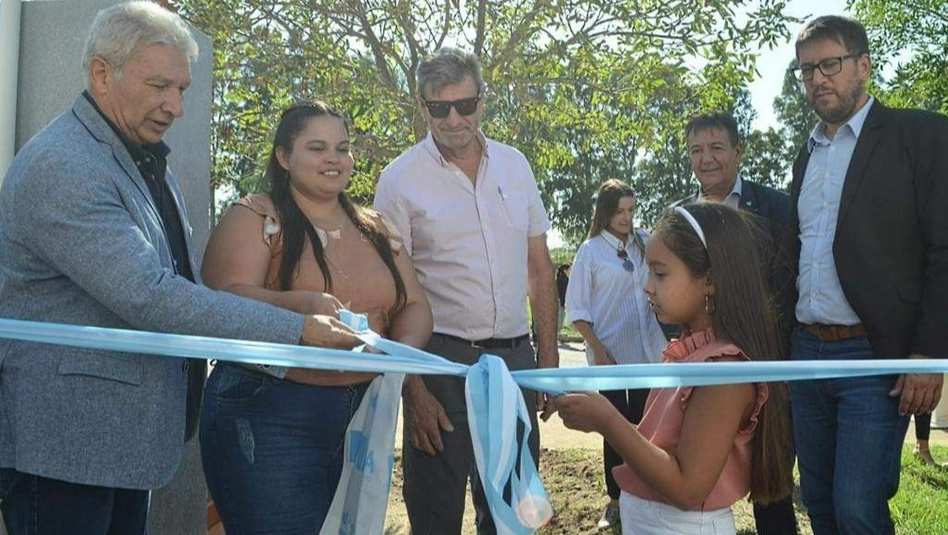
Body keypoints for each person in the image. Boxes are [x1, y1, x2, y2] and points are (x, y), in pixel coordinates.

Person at [0, 4, 359, 534]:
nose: (176, 106)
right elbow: (151, 295)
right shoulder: (65, 166)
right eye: (159, 86)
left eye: (182, 89)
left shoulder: (138, 157)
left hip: (120, 445)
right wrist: (296, 329)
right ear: (102, 74)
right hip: (63, 451)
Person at [198, 101, 433, 531]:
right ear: (284, 157)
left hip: (364, 414)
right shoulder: (255, 217)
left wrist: (399, 355)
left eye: (342, 149)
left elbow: (414, 306)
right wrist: (302, 305)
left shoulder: (378, 228)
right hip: (269, 411)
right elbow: (222, 300)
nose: (334, 159)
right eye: (317, 148)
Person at [374, 47, 559, 534]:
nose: (454, 119)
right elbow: (389, 295)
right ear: (422, 106)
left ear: (483, 100)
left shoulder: (516, 166)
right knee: (436, 517)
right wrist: (414, 390)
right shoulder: (398, 180)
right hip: (440, 366)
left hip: (516, 364)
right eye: (440, 107)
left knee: (513, 515)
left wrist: (548, 360)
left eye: (465, 104)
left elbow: (540, 269)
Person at [787, 15, 948, 534]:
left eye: (830, 64)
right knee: (819, 504)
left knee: (858, 509)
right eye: (807, 69)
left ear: (863, 66)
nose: (817, 78)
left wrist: (928, 354)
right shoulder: (805, 156)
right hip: (805, 354)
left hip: (874, 356)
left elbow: (943, 249)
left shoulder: (919, 136)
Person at [556, 204, 794, 535]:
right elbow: (662, 446)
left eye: (660, 274)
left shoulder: (723, 371)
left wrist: (608, 421)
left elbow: (687, 488)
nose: (647, 286)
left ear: (709, 281)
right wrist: (596, 415)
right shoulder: (687, 353)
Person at [675, 112, 798, 535]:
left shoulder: (777, 209)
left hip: (767, 365)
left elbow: (788, 286)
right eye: (696, 150)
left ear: (739, 151)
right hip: (704, 371)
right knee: (695, 474)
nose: (706, 159)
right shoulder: (680, 218)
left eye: (716, 147)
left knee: (772, 485)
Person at [564, 179, 667, 531]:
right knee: (615, 426)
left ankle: (645, 492)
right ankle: (615, 500)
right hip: (608, 352)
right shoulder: (590, 252)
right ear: (606, 212)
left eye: (631, 210)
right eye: (620, 211)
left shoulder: (644, 241)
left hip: (646, 350)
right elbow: (577, 308)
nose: (626, 217)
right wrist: (596, 347)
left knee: (645, 424)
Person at [556, 263, 571, 333]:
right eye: (569, 269)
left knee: (560, 315)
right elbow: (562, 291)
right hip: (560, 301)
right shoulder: (563, 279)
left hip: (560, 300)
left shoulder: (561, 278)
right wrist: (562, 301)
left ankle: (558, 330)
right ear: (565, 270)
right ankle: (558, 330)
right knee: (560, 315)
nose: (570, 271)